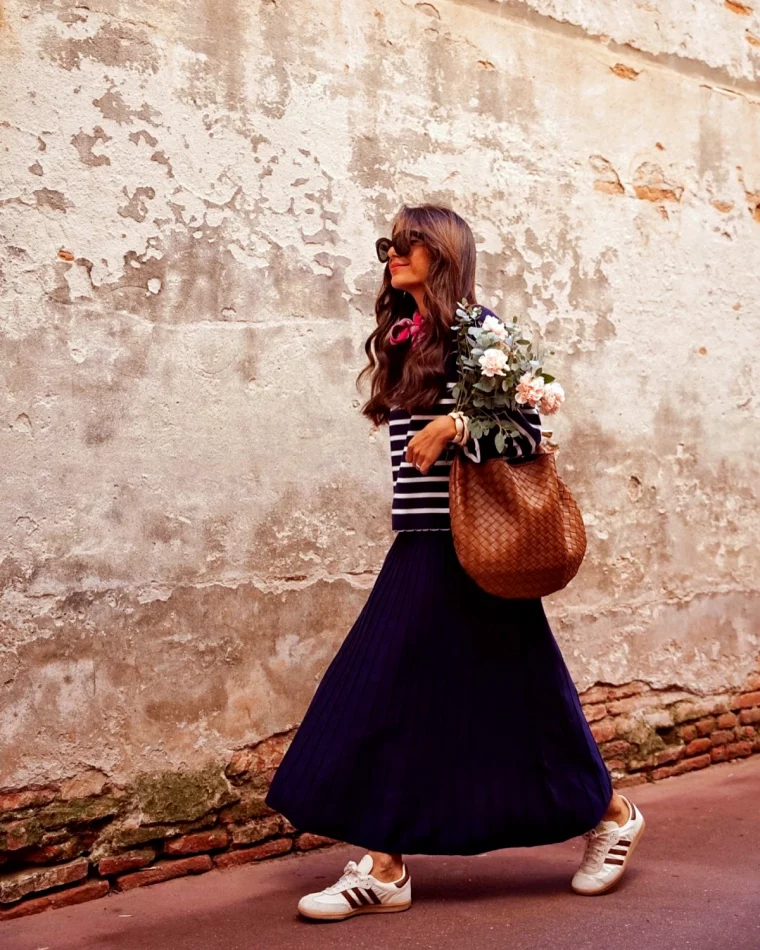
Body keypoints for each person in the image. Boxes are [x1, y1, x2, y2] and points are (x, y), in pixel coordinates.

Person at [264, 203, 646, 921]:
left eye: (410, 243)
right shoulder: (407, 334)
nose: (394, 254)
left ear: (445, 253)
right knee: (502, 696)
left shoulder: (478, 332)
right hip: (423, 538)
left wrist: (455, 423)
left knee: (386, 685)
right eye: (390, 244)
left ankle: (603, 816)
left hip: (470, 546)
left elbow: (528, 427)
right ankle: (395, 862)